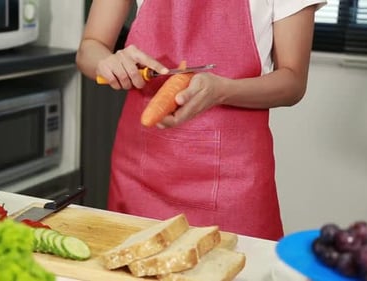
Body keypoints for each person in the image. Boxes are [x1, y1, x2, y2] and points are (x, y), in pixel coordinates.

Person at [76, 0, 326, 241]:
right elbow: (90, 47)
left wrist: (222, 90)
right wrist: (107, 63)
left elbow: (292, 82)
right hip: (140, 167)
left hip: (233, 176)